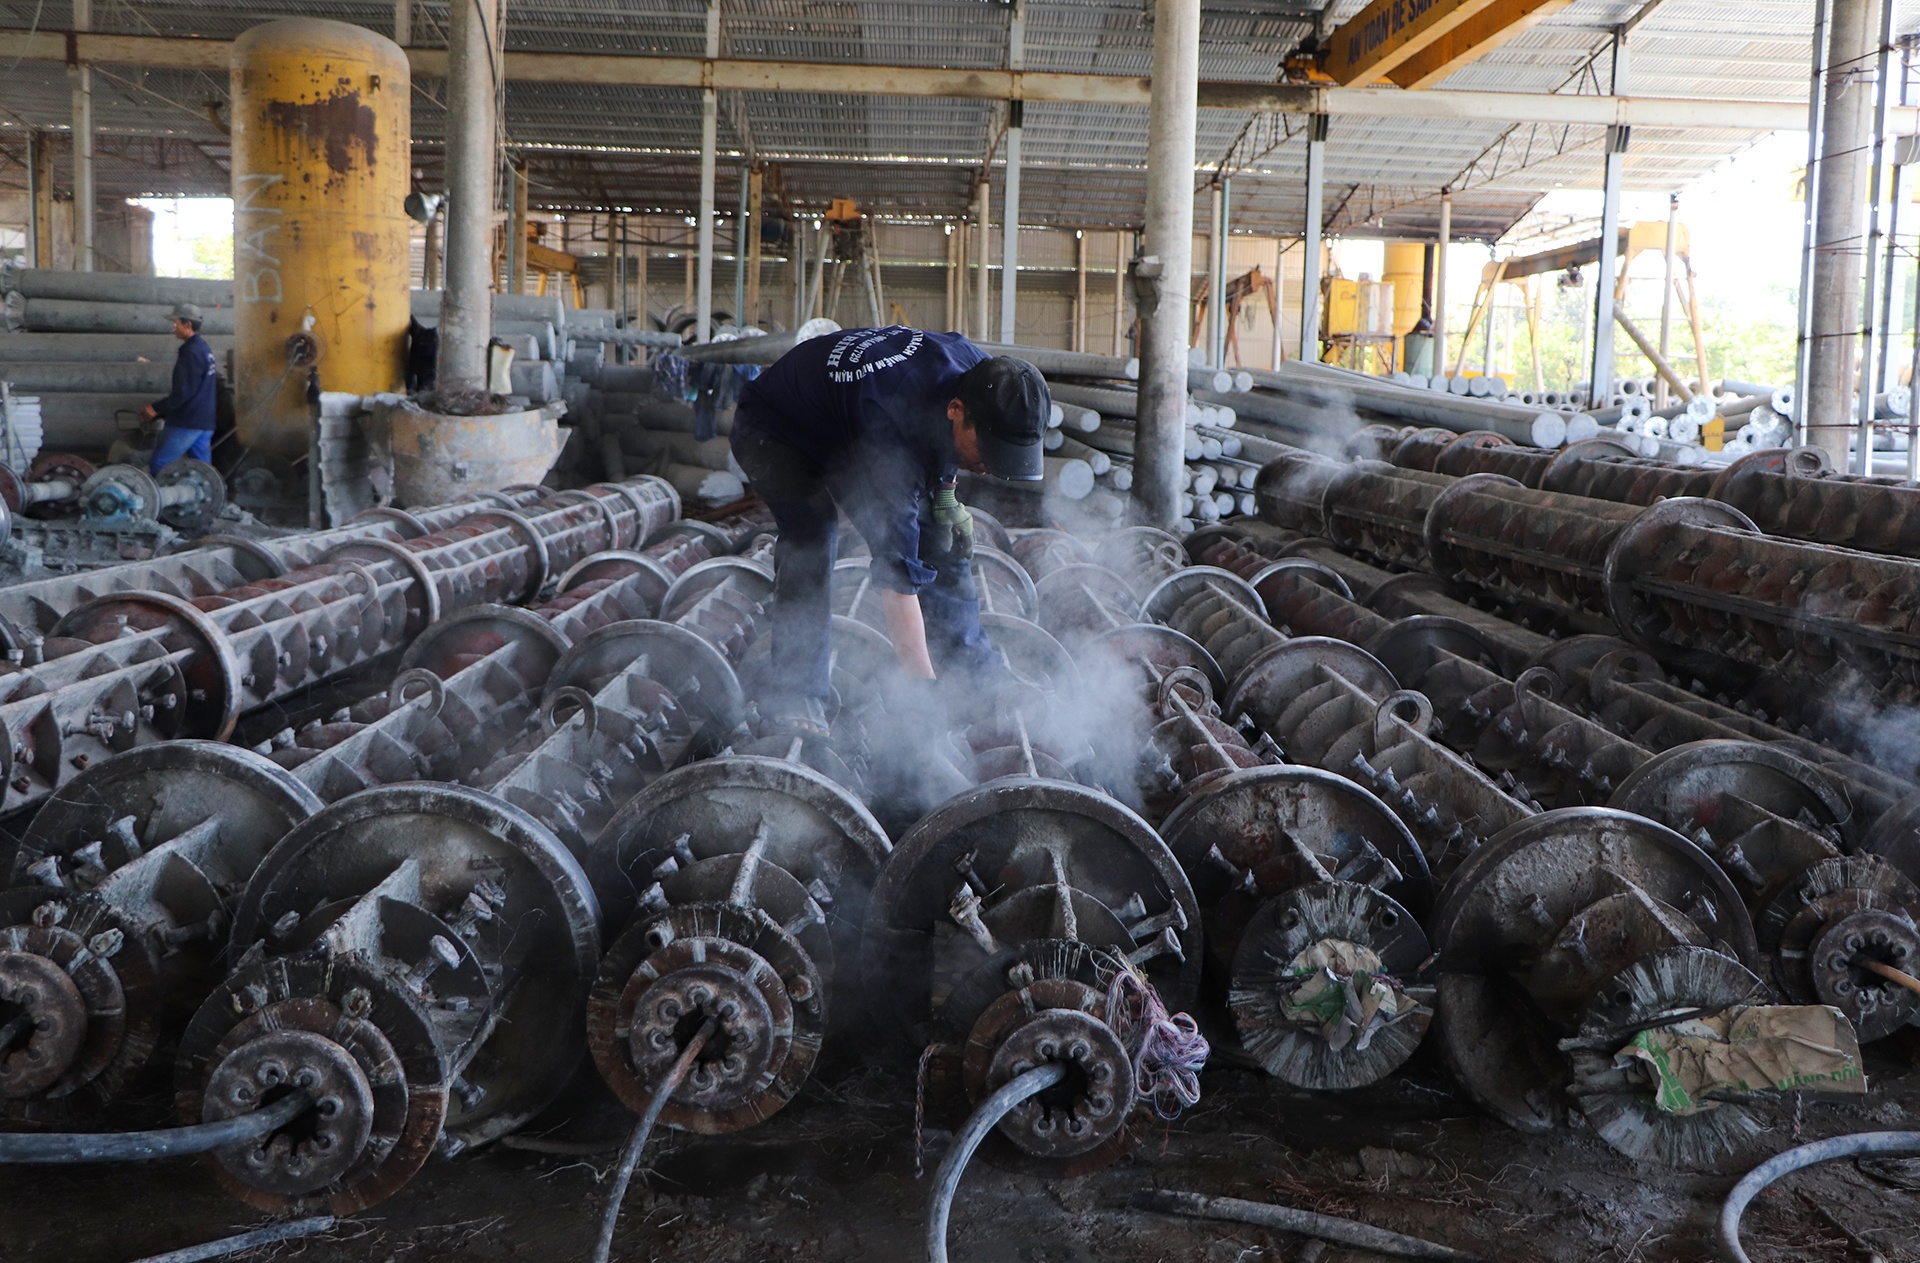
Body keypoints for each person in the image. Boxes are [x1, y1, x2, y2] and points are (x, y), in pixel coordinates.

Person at [730, 325, 1049, 731]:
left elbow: (947, 457)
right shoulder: (891, 441)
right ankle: (795, 694)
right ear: (955, 410)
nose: (989, 467)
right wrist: (921, 695)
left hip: (843, 418)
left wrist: (947, 495)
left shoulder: (978, 371)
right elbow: (896, 580)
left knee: (940, 538)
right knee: (812, 534)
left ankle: (979, 678)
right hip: (773, 428)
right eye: (987, 451)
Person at [142, 303, 218, 474]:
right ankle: (206, 499)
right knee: (203, 471)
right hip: (205, 421)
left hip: (187, 421)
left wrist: (156, 408)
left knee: (160, 464)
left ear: (188, 325)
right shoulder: (204, 348)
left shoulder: (190, 351)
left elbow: (183, 392)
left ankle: (159, 499)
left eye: (176, 323)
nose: (173, 327)